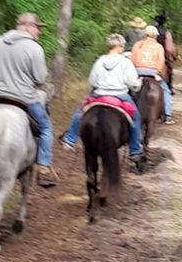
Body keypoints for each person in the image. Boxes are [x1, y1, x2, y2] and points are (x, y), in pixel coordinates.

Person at [0, 12, 56, 188]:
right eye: (38, 28)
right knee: (46, 128)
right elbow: (40, 78)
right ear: (29, 27)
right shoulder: (34, 48)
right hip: (24, 98)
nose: (39, 32)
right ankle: (44, 166)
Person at [60, 34, 145, 166]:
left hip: (98, 95)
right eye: (122, 45)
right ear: (119, 46)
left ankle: (70, 139)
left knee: (79, 112)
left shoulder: (100, 60)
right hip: (119, 95)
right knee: (136, 117)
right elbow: (132, 83)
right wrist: (137, 83)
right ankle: (135, 150)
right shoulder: (125, 62)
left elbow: (92, 80)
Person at [130, 24, 174, 122]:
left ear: (145, 34)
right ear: (155, 35)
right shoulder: (158, 46)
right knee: (166, 90)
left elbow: (132, 59)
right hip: (152, 72)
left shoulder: (138, 44)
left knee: (129, 89)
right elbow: (161, 61)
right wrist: (157, 73)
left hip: (138, 71)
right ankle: (168, 115)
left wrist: (135, 71)